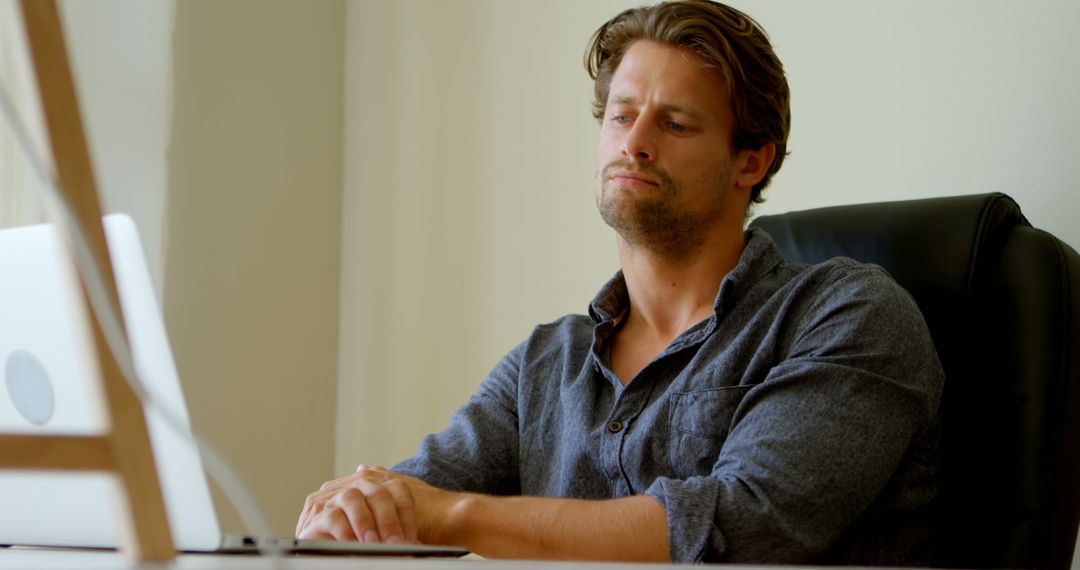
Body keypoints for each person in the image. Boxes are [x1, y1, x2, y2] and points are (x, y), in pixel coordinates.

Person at [295, 0, 944, 564]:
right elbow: (412, 499)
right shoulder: (545, 364)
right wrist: (356, 513)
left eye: (675, 123)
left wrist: (451, 516)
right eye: (620, 114)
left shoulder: (846, 314)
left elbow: (742, 531)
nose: (633, 142)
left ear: (752, 159)